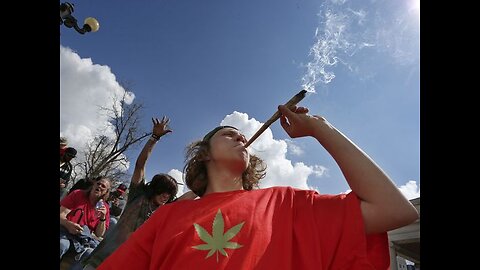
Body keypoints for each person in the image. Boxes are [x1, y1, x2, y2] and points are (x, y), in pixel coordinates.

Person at [98, 105, 419, 270]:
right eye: (227, 134)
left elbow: (393, 209)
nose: (240, 136)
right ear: (205, 154)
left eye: (241, 135)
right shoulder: (168, 218)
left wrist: (322, 130)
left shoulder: (285, 203)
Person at [80, 116, 192, 270]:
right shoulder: (138, 195)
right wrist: (154, 138)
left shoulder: (165, 209)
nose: (166, 196)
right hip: (102, 259)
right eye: (163, 191)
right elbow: (140, 165)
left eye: (169, 194)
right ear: (155, 189)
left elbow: (190, 196)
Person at [60, 177, 112, 264]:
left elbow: (99, 234)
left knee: (90, 255)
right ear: (93, 185)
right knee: (62, 244)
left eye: (103, 186)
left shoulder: (104, 207)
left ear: (106, 192)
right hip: (64, 231)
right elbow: (61, 214)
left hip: (82, 240)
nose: (99, 186)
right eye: (98, 183)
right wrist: (68, 225)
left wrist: (103, 217)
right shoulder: (78, 194)